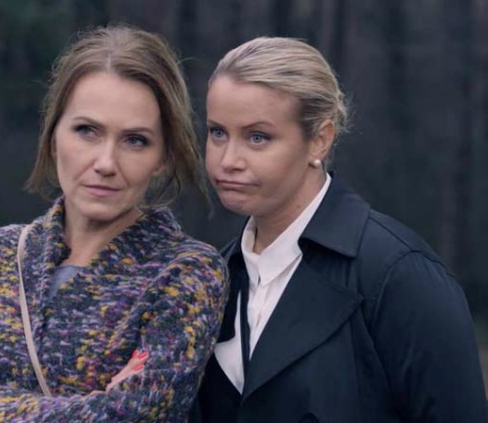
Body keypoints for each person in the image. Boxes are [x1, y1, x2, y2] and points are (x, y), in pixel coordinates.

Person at [0, 25, 229, 422]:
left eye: (135, 140)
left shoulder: (187, 273)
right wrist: (88, 406)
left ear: (163, 158)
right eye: (87, 131)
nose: (105, 163)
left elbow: (133, 414)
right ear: (53, 137)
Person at [193, 37, 487, 422]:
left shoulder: (399, 273)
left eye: (257, 137)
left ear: (319, 140)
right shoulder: (215, 277)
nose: (228, 159)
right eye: (218, 132)